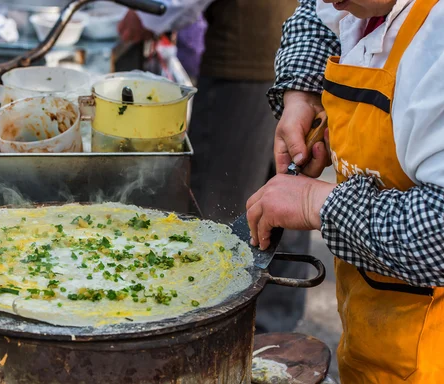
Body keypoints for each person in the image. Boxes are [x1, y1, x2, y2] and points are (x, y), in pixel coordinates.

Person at [248, 0, 444, 384]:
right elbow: (314, 17)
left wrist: (315, 204)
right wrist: (302, 94)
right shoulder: (354, 5)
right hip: (374, 329)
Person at [119, 1, 310, 333]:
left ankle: (211, 334)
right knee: (285, 194)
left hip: (246, 65)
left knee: (216, 214)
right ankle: (271, 337)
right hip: (295, 65)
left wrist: (150, 13)